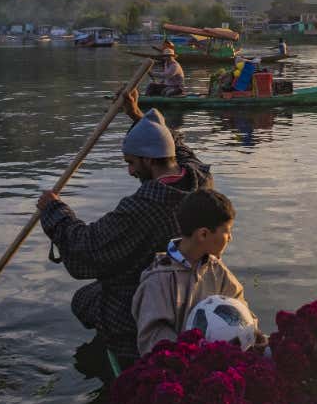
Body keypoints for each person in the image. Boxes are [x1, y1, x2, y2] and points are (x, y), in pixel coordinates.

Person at [36, 88, 213, 364]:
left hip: (148, 296)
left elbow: (88, 246)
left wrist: (54, 210)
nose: (130, 171)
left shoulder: (144, 206)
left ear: (150, 160)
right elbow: (178, 149)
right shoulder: (199, 179)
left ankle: (126, 345)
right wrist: (138, 116)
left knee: (83, 301)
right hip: (191, 287)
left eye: (132, 163)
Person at [132, 188, 256, 356]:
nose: (230, 238)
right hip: (181, 365)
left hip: (219, 358)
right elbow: (153, 337)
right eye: (227, 230)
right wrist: (191, 354)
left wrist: (252, 332)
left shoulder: (217, 270)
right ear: (203, 234)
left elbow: (239, 307)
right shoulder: (158, 279)